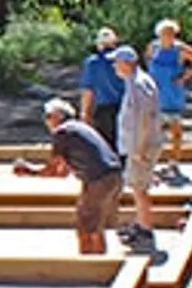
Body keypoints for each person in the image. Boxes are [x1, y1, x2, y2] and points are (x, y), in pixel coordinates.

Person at [13, 98, 122, 255]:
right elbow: (61, 173)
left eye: (48, 116)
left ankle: (91, 264)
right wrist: (32, 171)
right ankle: (97, 259)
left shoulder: (62, 132)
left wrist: (29, 171)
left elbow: (53, 169)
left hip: (98, 180)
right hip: (111, 176)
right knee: (93, 224)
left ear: (58, 115)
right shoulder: (78, 127)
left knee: (87, 226)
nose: (46, 122)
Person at [111, 45, 161, 253]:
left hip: (141, 146)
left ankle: (145, 230)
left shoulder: (140, 84)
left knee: (140, 188)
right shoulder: (133, 82)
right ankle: (140, 224)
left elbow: (146, 117)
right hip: (135, 145)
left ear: (127, 63)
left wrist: (140, 148)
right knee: (137, 186)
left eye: (116, 62)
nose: (114, 66)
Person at [145, 18, 192, 179]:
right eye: (165, 33)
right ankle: (153, 162)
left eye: (171, 33)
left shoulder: (180, 49)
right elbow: (147, 63)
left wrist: (185, 77)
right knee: (153, 132)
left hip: (173, 94)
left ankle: (174, 162)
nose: (169, 36)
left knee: (176, 131)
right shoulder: (153, 47)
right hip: (155, 96)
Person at [78, 27, 126, 149]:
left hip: (103, 110)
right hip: (125, 108)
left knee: (106, 147)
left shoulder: (92, 63)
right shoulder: (123, 60)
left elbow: (88, 91)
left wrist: (85, 113)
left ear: (99, 44)